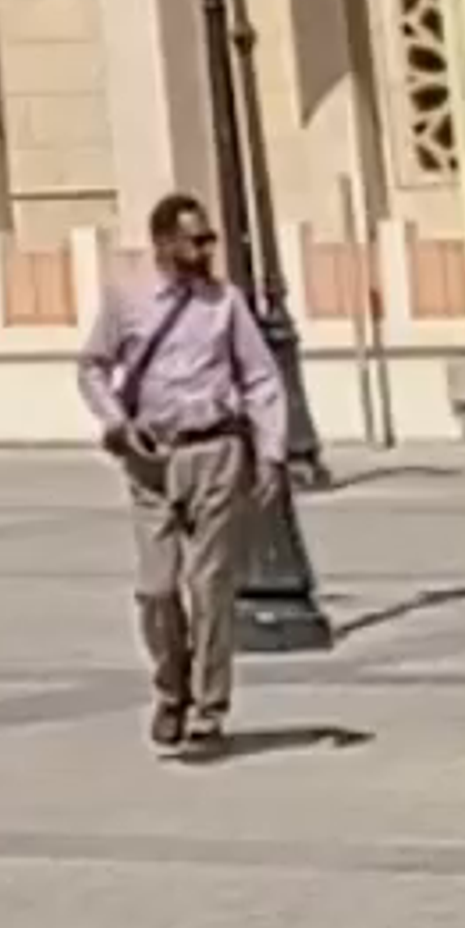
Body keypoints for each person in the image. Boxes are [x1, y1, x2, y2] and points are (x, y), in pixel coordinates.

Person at [78, 188, 290, 756]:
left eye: (208, 240)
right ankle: (171, 686)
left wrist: (271, 453)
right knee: (157, 588)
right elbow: (92, 367)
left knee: (209, 585)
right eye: (194, 241)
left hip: (216, 450)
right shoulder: (127, 299)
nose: (204, 251)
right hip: (151, 457)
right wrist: (116, 422)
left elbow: (261, 379)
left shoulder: (225, 304)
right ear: (163, 243)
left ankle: (207, 707)